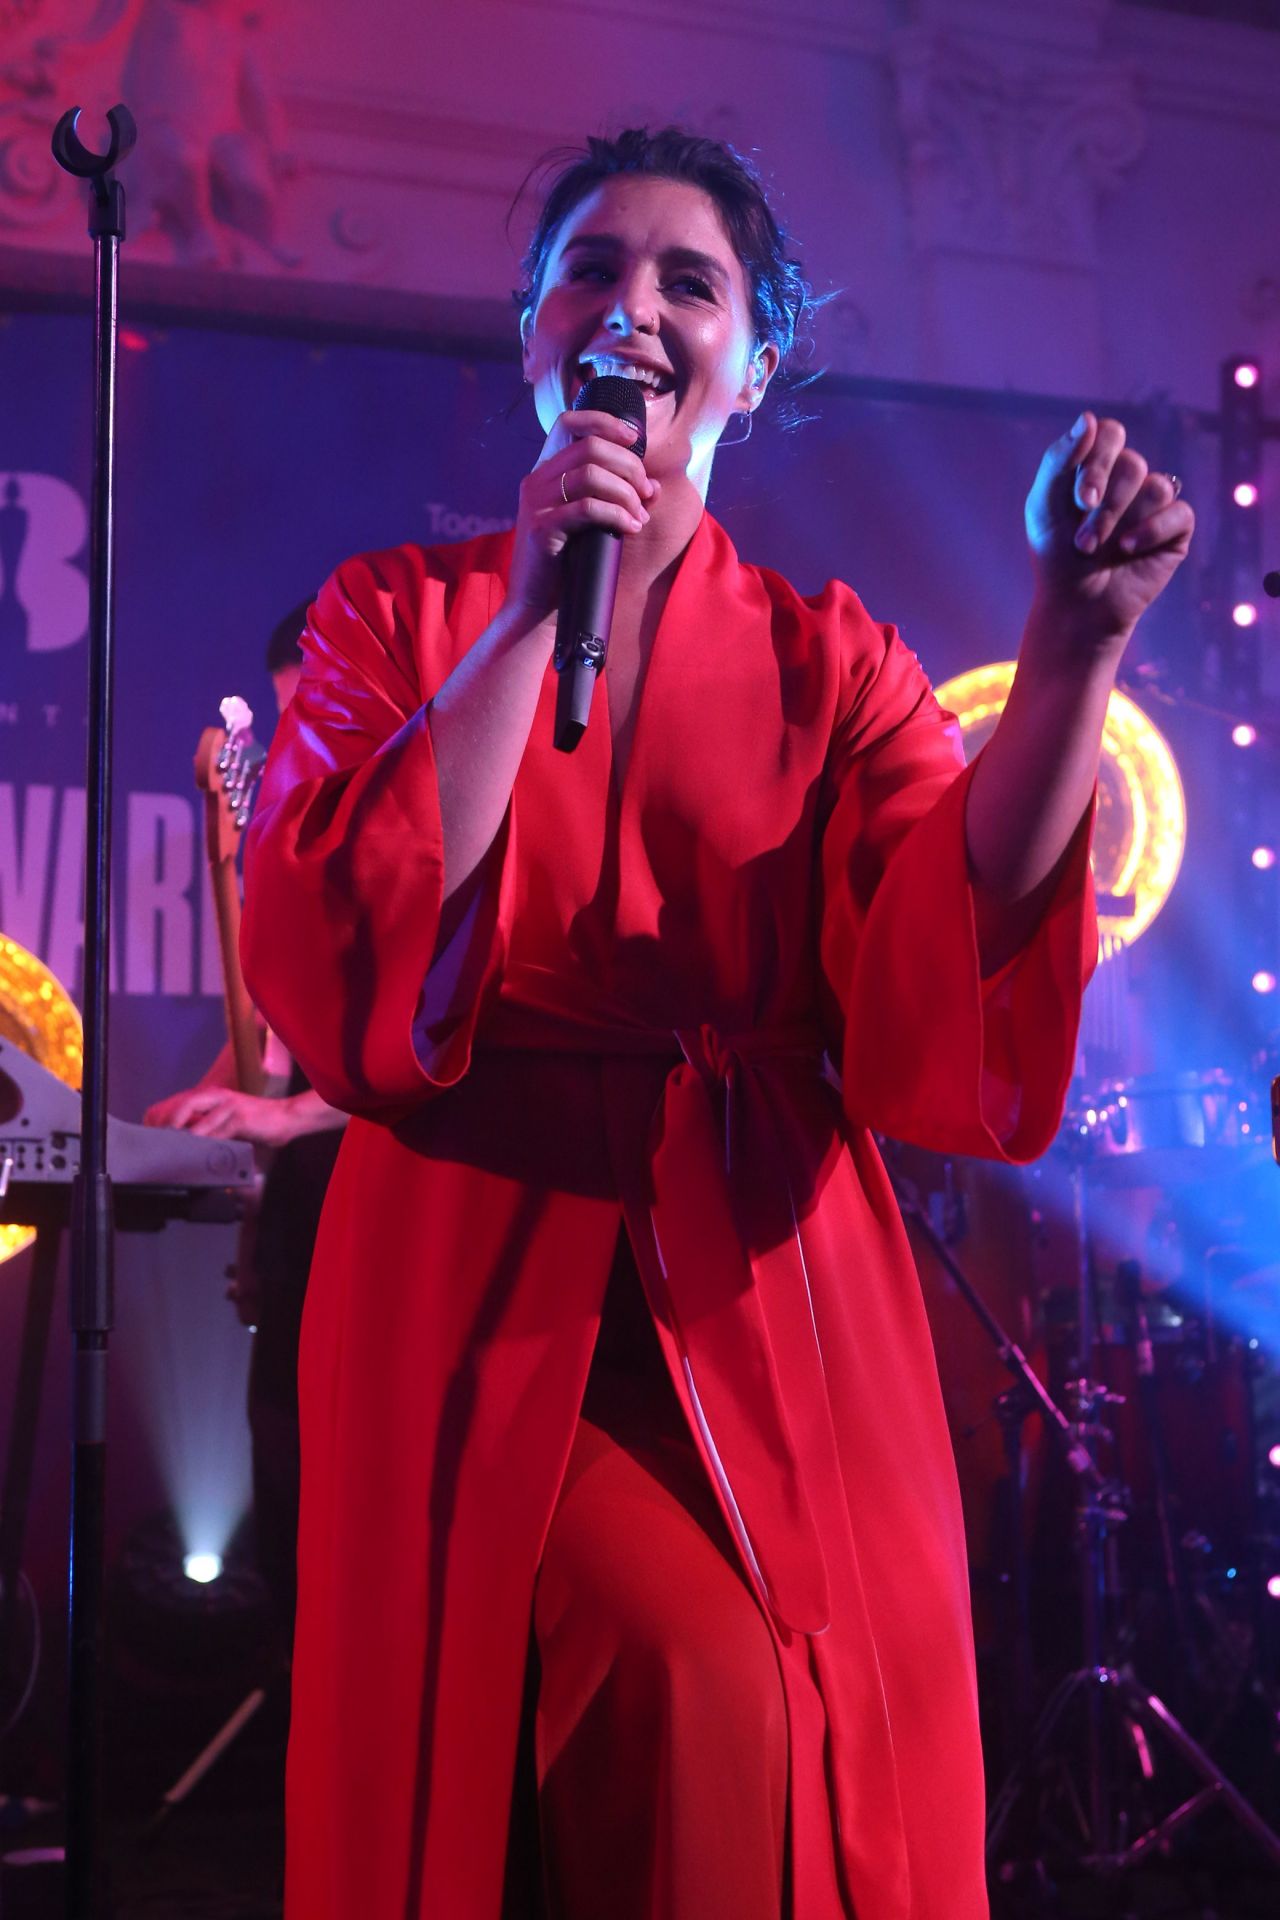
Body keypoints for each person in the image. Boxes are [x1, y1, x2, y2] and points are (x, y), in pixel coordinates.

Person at [239, 128, 1194, 1920]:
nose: (639, 306)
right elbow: (338, 928)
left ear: (755, 369)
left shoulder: (835, 661)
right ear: (533, 339)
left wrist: (1071, 648)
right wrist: (531, 606)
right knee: (700, 1695)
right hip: (475, 1275)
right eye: (592, 270)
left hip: (763, 1282)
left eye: (695, 281)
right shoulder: (396, 617)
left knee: (824, 1744)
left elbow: (949, 938)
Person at [144, 603, 346, 1643]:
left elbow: (419, 1058)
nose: (301, 738)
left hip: (378, 1234)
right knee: (294, 1522)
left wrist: (284, 1123)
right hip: (301, 1252)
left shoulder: (418, 836)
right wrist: (189, 1119)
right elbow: (266, 1061)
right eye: (287, 717)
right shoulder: (292, 868)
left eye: (314, 709)